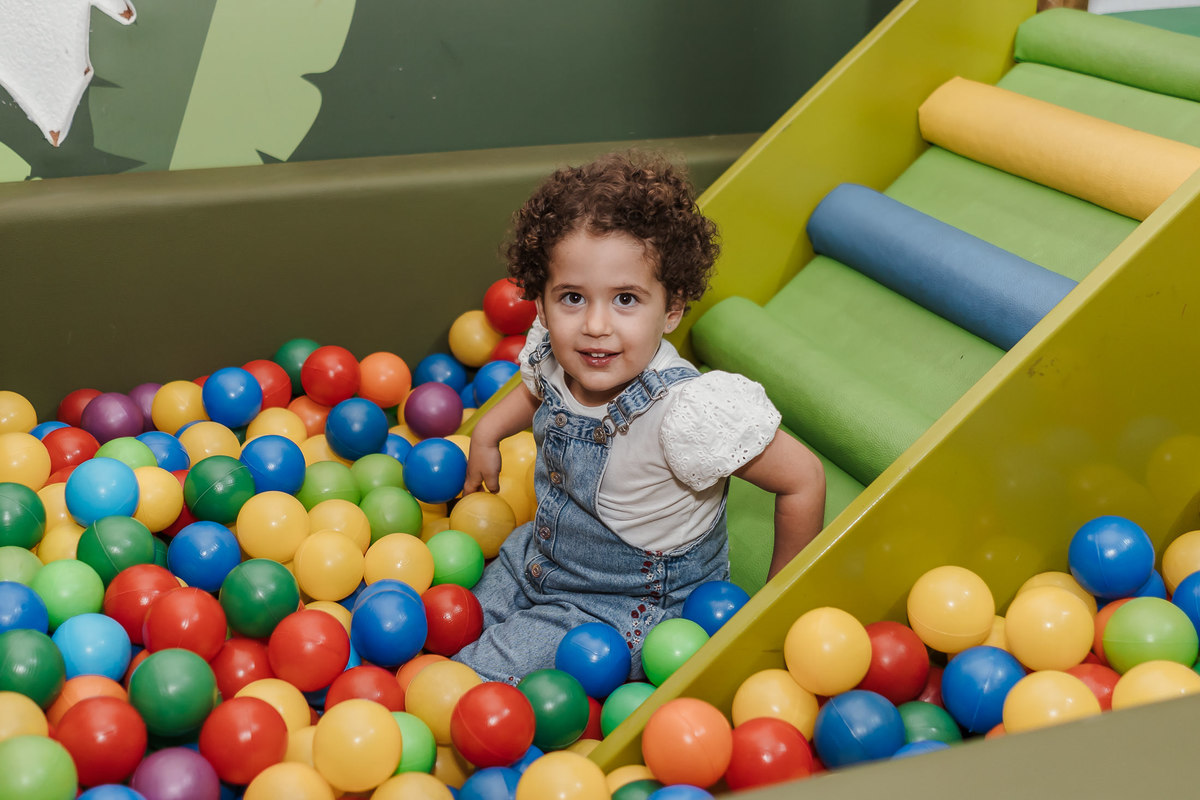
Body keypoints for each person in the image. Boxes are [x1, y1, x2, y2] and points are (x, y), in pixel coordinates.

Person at [453, 151, 825, 684]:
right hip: (535, 559)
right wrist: (487, 431)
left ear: (671, 309)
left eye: (626, 298)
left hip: (624, 608)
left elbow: (804, 479)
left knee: (472, 682)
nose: (596, 326)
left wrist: (778, 603)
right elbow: (539, 390)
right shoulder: (559, 356)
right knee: (444, 623)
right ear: (540, 305)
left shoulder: (685, 413)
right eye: (573, 298)